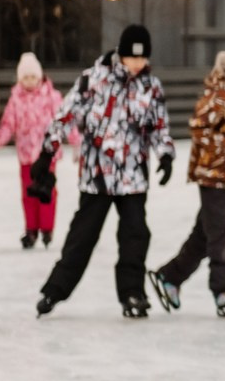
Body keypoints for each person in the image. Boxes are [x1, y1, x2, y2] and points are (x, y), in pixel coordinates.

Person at [31, 23, 174, 318]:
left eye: (142, 58)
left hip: (133, 176)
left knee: (136, 235)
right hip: (98, 176)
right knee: (82, 236)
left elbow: (160, 126)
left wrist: (166, 155)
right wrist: (47, 152)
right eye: (132, 58)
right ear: (121, 55)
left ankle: (132, 294)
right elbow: (65, 114)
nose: (137, 64)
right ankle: (54, 291)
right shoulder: (94, 80)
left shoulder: (151, 87)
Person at [148, 37, 225, 319]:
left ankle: (169, 278)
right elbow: (198, 126)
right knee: (221, 228)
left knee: (205, 233)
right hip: (212, 171)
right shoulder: (222, 91)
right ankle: (223, 291)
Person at [0, 53, 76, 248]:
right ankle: (31, 230)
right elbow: (8, 123)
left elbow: (64, 120)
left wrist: (76, 140)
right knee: (29, 193)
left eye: (33, 77)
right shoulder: (16, 99)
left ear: (40, 77)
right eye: (26, 77)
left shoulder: (51, 97)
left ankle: (47, 228)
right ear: (20, 79)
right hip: (25, 155)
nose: (30, 81)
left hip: (47, 155)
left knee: (47, 192)